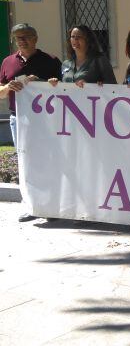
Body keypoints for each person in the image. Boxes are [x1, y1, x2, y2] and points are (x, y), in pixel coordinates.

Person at [0, 24, 61, 223]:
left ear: (35, 38)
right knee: (26, 163)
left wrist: (42, 82)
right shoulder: (8, 62)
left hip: (46, 121)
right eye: (18, 37)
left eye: (26, 36)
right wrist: (8, 86)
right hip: (18, 119)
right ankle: (31, 206)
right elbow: (0, 93)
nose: (21, 40)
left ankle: (51, 207)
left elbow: (62, 89)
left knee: (48, 161)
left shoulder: (50, 61)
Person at [52, 24, 117, 87]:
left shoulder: (99, 60)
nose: (75, 40)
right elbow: (63, 87)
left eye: (79, 37)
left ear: (88, 40)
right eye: (73, 37)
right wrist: (55, 83)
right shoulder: (66, 64)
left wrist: (92, 86)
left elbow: (112, 85)